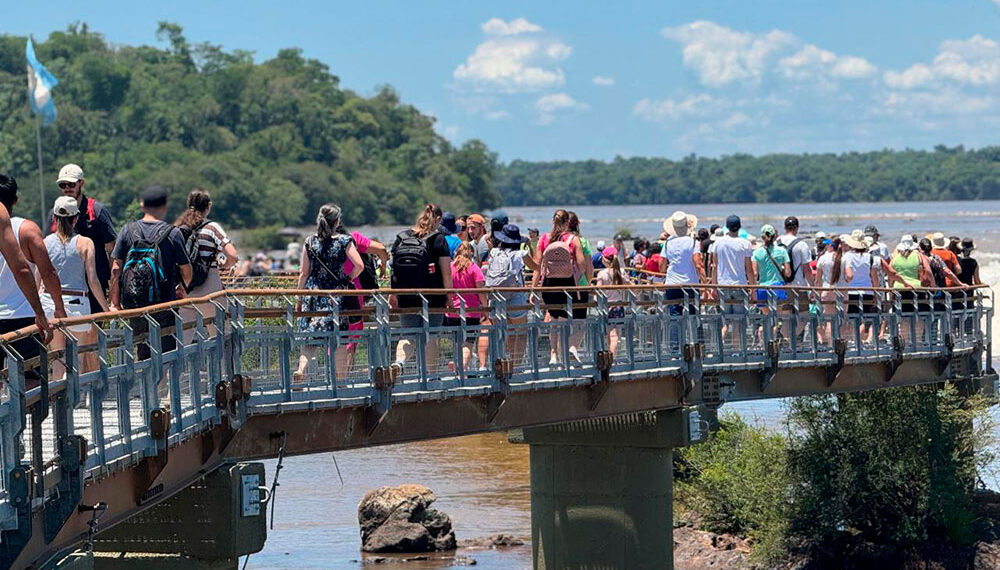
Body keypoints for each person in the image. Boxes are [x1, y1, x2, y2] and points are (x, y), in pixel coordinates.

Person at [110, 186, 192, 365]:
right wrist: (181, 287)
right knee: (167, 354)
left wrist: (115, 303)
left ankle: (148, 390)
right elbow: (186, 270)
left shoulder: (127, 230)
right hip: (165, 304)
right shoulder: (173, 233)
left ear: (142, 205)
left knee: (143, 351)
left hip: (135, 305)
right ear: (164, 206)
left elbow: (116, 269)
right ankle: (162, 391)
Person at [292, 204, 363, 384]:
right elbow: (359, 265)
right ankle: (340, 381)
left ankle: (301, 370)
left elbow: (304, 273)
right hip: (336, 297)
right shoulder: (344, 241)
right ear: (337, 221)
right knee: (338, 340)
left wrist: (299, 299)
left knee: (309, 341)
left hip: (313, 297)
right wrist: (347, 279)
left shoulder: (309, 242)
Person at [42, 196, 110, 379]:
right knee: (77, 357)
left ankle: (59, 402)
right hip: (77, 303)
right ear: (76, 218)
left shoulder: (46, 243)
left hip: (50, 303)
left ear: (55, 217)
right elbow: (93, 280)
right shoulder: (85, 243)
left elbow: (38, 279)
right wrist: (106, 309)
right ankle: (75, 397)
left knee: (58, 357)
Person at [0, 174, 58, 383]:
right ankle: (22, 416)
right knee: (32, 380)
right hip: (22, 315)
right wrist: (44, 312)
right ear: (15, 199)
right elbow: (39, 271)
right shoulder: (26, 229)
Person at [389, 204, 452, 378]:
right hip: (433, 296)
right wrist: (449, 295)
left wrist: (392, 294)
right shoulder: (438, 239)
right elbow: (446, 272)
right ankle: (431, 376)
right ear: (438, 219)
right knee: (430, 335)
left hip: (406, 295)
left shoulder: (402, 237)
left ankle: (398, 363)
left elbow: (393, 269)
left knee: (408, 334)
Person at [50, 164, 117, 315]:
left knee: (92, 331)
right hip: (66, 286)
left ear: (81, 183)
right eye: (62, 185)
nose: (67, 188)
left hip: (95, 283)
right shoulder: (55, 214)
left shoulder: (97, 212)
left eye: (71, 184)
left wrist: (114, 293)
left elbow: (112, 251)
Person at [533, 209, 588, 366]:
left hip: (548, 286)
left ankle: (553, 355)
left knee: (553, 318)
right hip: (567, 285)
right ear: (567, 223)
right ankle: (564, 354)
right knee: (564, 319)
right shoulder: (573, 239)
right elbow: (582, 266)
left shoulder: (544, 239)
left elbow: (537, 267)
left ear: (553, 222)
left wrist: (534, 289)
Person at [486, 224, 536, 364]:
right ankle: (515, 365)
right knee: (520, 333)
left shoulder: (494, 252)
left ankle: (501, 363)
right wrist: (530, 246)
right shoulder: (520, 254)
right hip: (515, 296)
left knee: (503, 332)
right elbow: (537, 266)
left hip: (497, 297)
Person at [663, 211, 706, 347]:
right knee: (694, 315)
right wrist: (704, 285)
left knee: (674, 316)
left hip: (672, 284)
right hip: (690, 283)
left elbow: (662, 265)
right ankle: (698, 346)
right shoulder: (692, 242)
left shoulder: (668, 242)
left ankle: (675, 350)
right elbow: (698, 265)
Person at [445, 243, 487, 372]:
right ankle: (462, 366)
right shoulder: (474, 268)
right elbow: (481, 290)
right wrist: (485, 308)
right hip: (471, 311)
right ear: (472, 254)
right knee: (468, 342)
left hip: (452, 311)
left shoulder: (449, 268)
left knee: (457, 342)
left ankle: (458, 362)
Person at [714, 215, 755, 343]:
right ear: (739, 227)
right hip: (740, 285)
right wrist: (753, 289)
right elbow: (749, 270)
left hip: (723, 285)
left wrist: (713, 287)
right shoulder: (745, 243)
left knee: (724, 321)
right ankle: (737, 350)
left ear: (727, 226)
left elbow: (714, 266)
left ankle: (718, 348)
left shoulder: (718, 243)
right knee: (738, 322)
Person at [751, 225, 791, 336]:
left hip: (762, 287)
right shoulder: (782, 251)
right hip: (778, 287)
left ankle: (764, 341)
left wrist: (753, 290)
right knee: (776, 317)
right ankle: (772, 342)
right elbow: (788, 272)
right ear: (774, 236)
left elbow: (754, 274)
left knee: (766, 317)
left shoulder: (756, 253)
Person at [776, 216, 815, 330]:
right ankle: (791, 341)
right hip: (798, 286)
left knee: (785, 319)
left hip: (781, 286)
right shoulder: (801, 244)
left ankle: (785, 339)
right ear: (797, 228)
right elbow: (807, 270)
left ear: (784, 227)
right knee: (804, 318)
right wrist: (812, 287)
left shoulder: (776, 242)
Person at [842, 230, 879, 343]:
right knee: (864, 320)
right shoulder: (870, 257)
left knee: (852, 319)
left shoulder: (847, 256)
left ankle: (854, 341)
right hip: (867, 291)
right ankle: (858, 342)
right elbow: (874, 278)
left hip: (851, 292)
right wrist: (876, 294)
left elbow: (846, 274)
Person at [890, 235, 927, 341]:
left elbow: (890, 273)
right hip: (916, 289)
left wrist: (891, 290)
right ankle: (918, 341)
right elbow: (927, 271)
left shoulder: (895, 257)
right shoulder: (919, 256)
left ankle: (905, 341)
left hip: (899, 289)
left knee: (903, 318)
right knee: (919, 317)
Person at [595, 245, 625, 358]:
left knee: (610, 334)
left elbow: (598, 289)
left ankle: (610, 356)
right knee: (615, 334)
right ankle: (611, 355)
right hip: (618, 306)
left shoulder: (602, 273)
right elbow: (629, 285)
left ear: (604, 259)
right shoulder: (620, 272)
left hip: (605, 307)